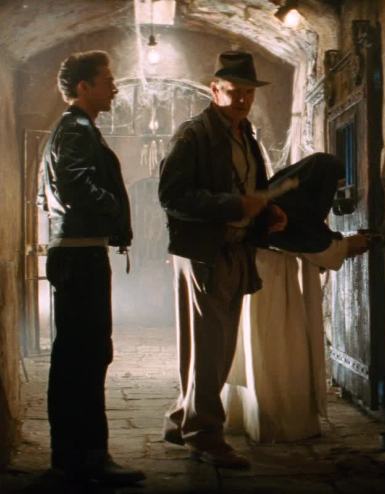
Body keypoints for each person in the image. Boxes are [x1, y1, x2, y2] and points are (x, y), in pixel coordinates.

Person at [158, 51, 287, 469]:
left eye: (249, 92)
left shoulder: (245, 134)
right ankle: (204, 435)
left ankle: (182, 419)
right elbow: (172, 196)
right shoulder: (194, 134)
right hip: (203, 253)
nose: (243, 99)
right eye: (234, 91)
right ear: (215, 90)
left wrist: (268, 212)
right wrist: (232, 205)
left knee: (216, 345)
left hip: (234, 250)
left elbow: (251, 189)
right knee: (209, 347)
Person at [38, 50, 145, 484]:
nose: (114, 88)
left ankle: (80, 458)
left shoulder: (77, 128)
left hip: (80, 252)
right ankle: (84, 460)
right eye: (107, 80)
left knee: (82, 357)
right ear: (83, 87)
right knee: (84, 358)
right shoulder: (76, 129)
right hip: (80, 256)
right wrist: (113, 209)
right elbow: (74, 185)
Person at [221, 155, 371, 443]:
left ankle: (250, 417)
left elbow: (314, 237)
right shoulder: (288, 210)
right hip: (273, 281)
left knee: (260, 349)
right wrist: (350, 244)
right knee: (279, 349)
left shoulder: (284, 200)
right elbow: (315, 244)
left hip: (260, 276)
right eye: (333, 186)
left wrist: (339, 244)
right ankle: (280, 422)